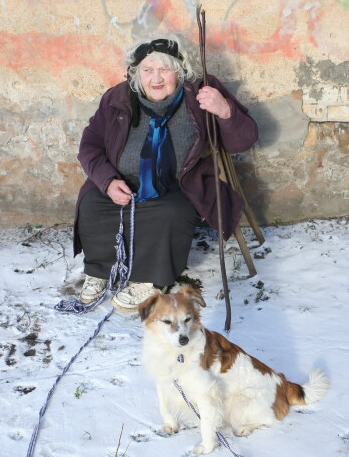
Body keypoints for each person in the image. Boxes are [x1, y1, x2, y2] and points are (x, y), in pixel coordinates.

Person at [72, 34, 258, 312]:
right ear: (137, 74)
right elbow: (90, 146)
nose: (156, 79)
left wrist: (225, 111)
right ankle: (99, 270)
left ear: (180, 71)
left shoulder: (201, 92)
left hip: (179, 183)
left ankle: (149, 279)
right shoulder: (116, 98)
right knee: (92, 203)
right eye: (147, 70)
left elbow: (244, 140)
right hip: (123, 181)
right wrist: (108, 181)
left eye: (164, 69)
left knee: (170, 212)